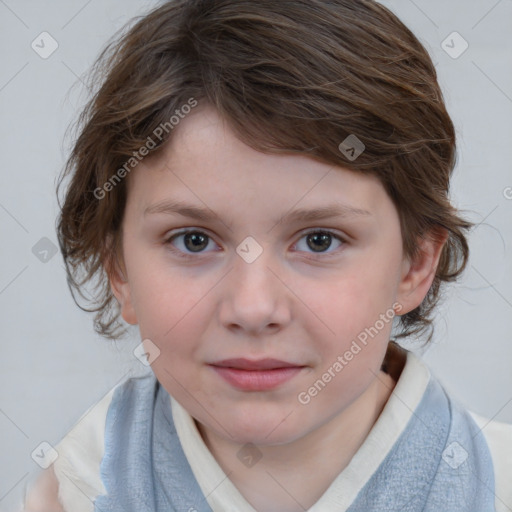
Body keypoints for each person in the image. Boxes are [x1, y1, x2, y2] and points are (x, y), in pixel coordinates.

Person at [22, 0, 511, 511]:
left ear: (414, 265)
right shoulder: (72, 489)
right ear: (119, 269)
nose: (253, 309)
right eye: (193, 240)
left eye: (320, 240)